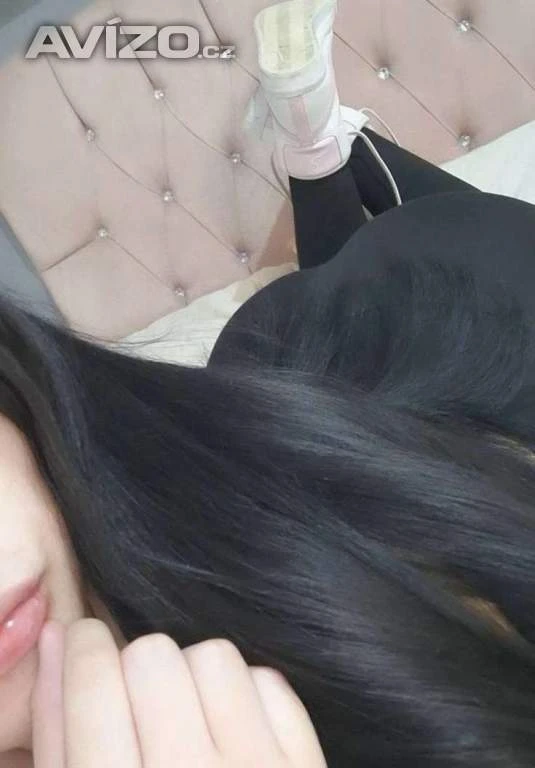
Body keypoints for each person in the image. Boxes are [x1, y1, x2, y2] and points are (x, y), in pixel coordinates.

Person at [3, 0, 535, 765]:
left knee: (411, 262)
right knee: (404, 263)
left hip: (371, 322)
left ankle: (319, 145)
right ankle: (317, 144)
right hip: (380, 318)